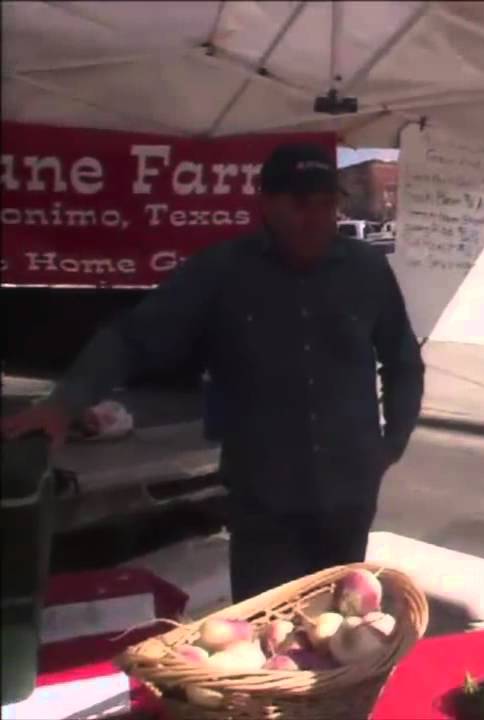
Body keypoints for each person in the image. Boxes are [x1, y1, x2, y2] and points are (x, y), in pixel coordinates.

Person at [1, 143, 426, 602]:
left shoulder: (366, 270)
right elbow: (133, 337)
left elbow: (403, 361)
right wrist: (64, 404)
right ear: (266, 203)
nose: (317, 218)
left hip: (349, 496)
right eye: (301, 204)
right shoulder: (221, 271)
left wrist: (391, 444)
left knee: (342, 624)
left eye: (327, 204)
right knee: (265, 635)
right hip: (264, 502)